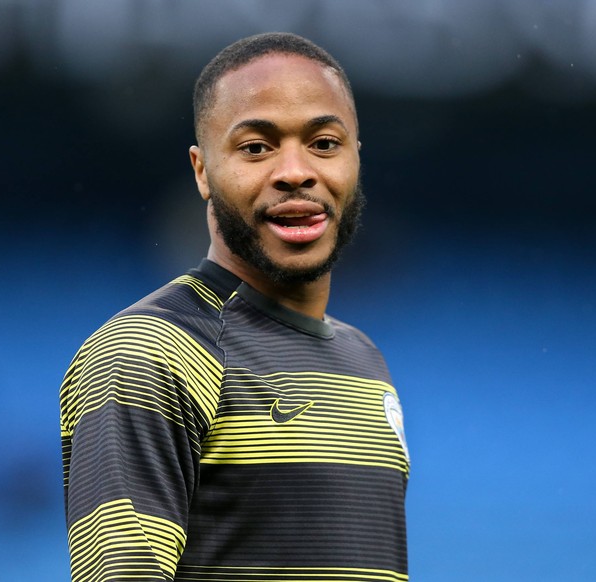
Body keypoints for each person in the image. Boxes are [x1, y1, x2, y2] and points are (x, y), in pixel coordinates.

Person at [60, 32, 410, 582]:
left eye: (324, 143)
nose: (296, 171)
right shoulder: (152, 353)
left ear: (356, 159)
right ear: (202, 171)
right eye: (256, 147)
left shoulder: (366, 364)